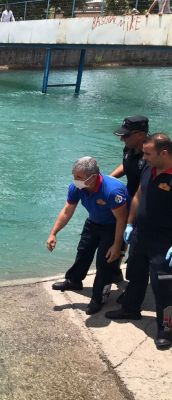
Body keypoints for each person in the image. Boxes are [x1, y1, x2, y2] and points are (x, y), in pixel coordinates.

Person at [105, 134, 172, 349]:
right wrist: (130, 224)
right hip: (141, 235)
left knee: (164, 287)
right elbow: (138, 195)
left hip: (164, 242)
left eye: (147, 153)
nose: (143, 157)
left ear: (164, 153)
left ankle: (166, 328)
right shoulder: (148, 167)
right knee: (135, 273)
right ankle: (131, 309)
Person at [47, 156, 129, 315]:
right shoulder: (76, 187)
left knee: (104, 262)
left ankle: (99, 297)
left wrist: (117, 245)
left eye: (78, 177)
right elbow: (67, 211)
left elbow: (122, 219)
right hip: (93, 222)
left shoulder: (112, 191)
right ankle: (74, 280)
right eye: (74, 176)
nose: (75, 180)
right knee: (83, 251)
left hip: (113, 226)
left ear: (92, 177)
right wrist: (53, 233)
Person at [109, 116, 149, 283]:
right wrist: (108, 180)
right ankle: (115, 270)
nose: (122, 139)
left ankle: (134, 286)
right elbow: (125, 166)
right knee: (119, 236)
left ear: (140, 135)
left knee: (138, 247)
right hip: (128, 197)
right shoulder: (129, 148)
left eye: (126, 136)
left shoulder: (152, 154)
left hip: (146, 204)